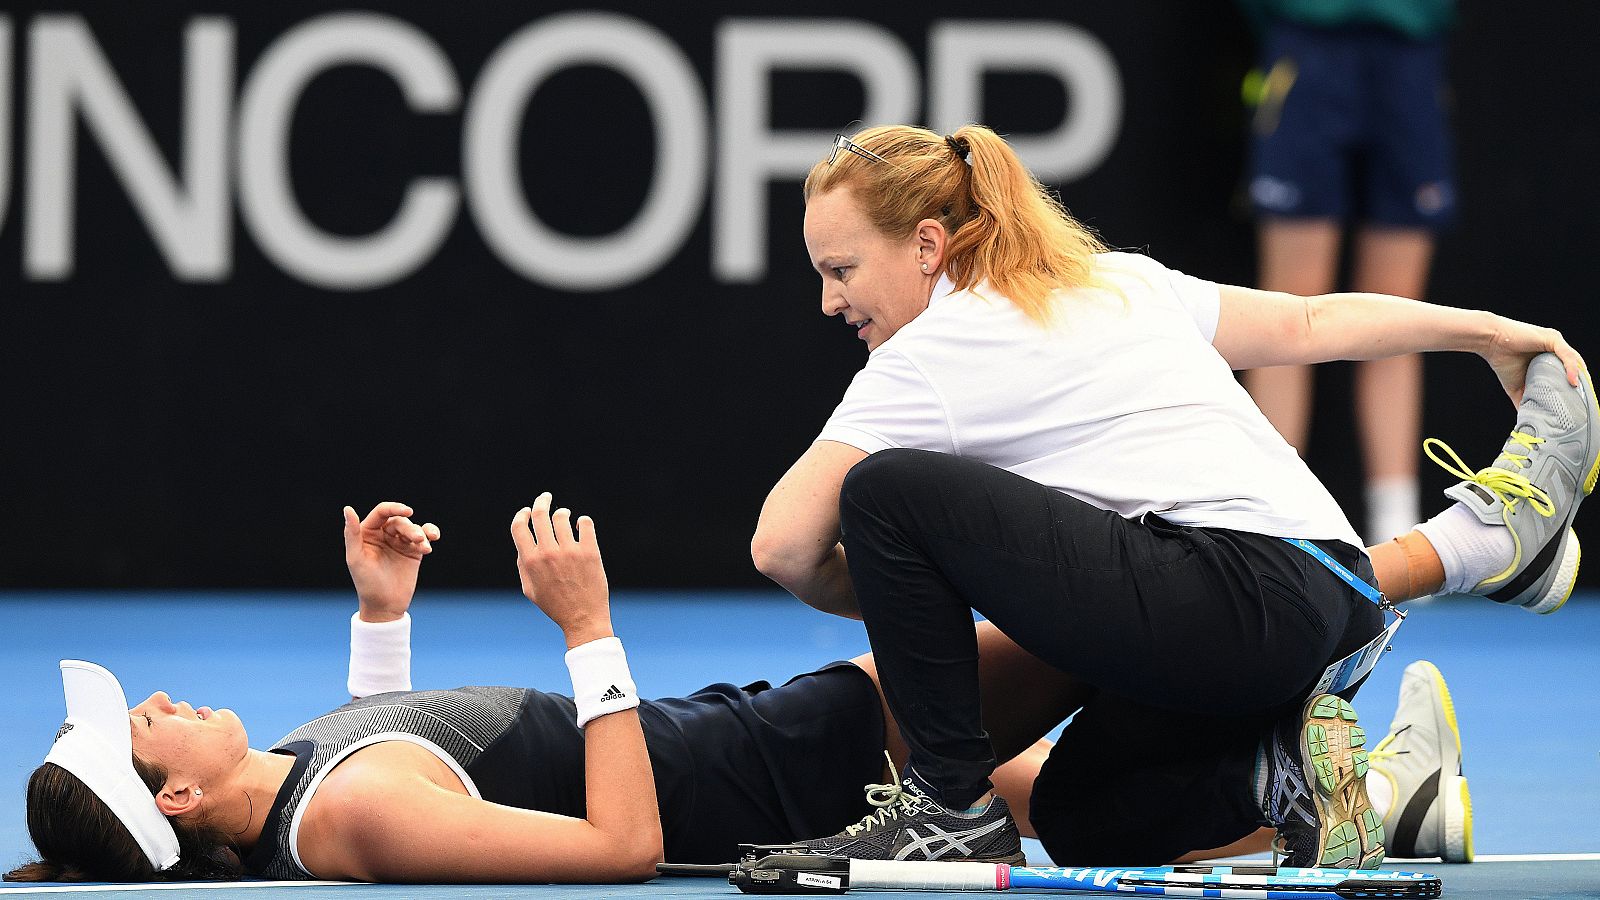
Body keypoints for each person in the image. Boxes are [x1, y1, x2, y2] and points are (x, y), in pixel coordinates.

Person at [751, 124, 1594, 868]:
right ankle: (1278, 774)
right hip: (1338, 608)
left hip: (1228, 603)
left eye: (842, 269)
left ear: (928, 246)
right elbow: (1309, 324)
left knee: (885, 491)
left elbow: (782, 547)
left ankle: (947, 808)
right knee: (1077, 815)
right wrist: (1489, 332)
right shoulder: (1118, 279)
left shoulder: (923, 353)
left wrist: (917, 599)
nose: (831, 300)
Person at [6, 496, 1078, 884]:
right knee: (1092, 635)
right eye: (139, 732)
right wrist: (589, 630)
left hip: (739, 735)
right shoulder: (352, 817)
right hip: (776, 771)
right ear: (175, 805)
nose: (152, 702)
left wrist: (382, 614)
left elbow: (399, 742)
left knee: (1063, 784)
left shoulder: (289, 787)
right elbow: (623, 851)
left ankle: (1231, 795)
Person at [1238, 0, 1459, 545]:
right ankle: (1266, 529)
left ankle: (1398, 535)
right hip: (1306, 49)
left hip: (1411, 55)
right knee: (1282, 311)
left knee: (1401, 313)